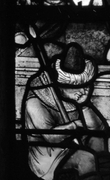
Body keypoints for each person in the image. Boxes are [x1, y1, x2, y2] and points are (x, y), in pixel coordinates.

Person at [23, 42, 110, 180]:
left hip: (73, 145)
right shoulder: (36, 100)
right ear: (63, 84)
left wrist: (84, 106)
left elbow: (97, 128)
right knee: (87, 158)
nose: (83, 90)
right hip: (49, 158)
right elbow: (50, 137)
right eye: (78, 86)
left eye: (84, 85)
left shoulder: (73, 96)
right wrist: (74, 125)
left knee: (97, 141)